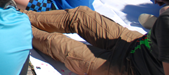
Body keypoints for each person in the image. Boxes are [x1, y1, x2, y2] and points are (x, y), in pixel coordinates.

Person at [27, 6, 169, 75]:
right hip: (135, 43)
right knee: (81, 16)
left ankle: (13, 23)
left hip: (131, 70)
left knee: (56, 43)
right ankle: (21, 15)